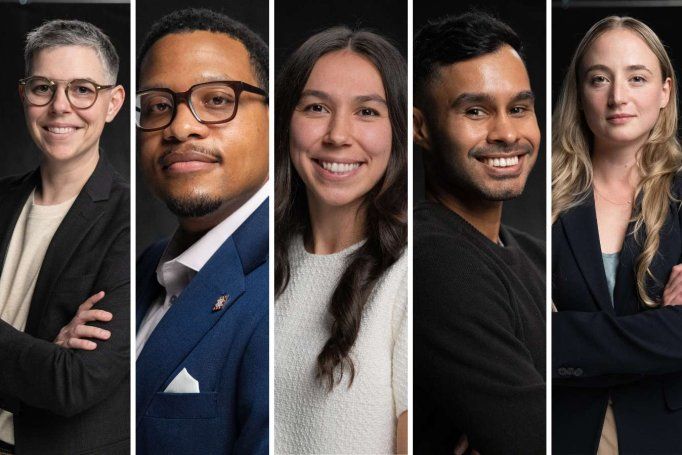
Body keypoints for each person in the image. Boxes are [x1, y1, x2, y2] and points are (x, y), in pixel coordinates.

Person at [134, 8, 269, 455]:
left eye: (216, 100)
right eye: (157, 105)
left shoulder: (295, 275)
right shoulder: (140, 271)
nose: (179, 126)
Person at [412, 12, 545, 454]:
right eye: (475, 111)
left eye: (520, 108)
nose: (507, 133)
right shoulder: (434, 261)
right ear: (421, 127)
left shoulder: (536, 255)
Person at [552, 16, 682, 454]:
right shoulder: (541, 197)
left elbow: (543, 341)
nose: (618, 97)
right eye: (599, 79)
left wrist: (562, 338)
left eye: (637, 78)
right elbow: (517, 338)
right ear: (580, 92)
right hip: (559, 432)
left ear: (665, 91)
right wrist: (655, 338)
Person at [274, 27, 407, 454]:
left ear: (397, 133)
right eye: (316, 107)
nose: (337, 135)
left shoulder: (410, 273)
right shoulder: (256, 262)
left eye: (367, 112)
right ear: (286, 123)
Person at [0, 19, 128, 454]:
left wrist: (52, 366)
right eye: (43, 88)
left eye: (82, 89)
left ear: (112, 103)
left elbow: (72, 383)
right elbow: (51, 369)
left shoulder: (128, 224)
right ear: (24, 96)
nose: (60, 107)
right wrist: (41, 353)